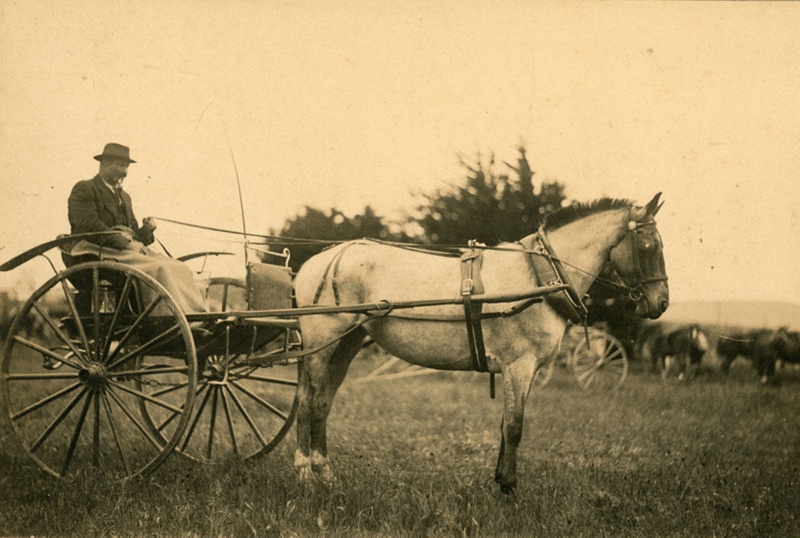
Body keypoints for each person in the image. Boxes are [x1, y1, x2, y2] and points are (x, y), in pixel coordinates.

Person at [66, 143, 207, 314]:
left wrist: (147, 230)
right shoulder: (85, 188)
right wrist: (125, 244)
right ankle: (165, 320)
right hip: (94, 250)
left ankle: (194, 315)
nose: (125, 172)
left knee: (179, 268)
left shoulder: (124, 197)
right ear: (104, 165)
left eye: (126, 166)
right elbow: (88, 225)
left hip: (123, 251)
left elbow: (134, 235)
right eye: (120, 165)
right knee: (158, 269)